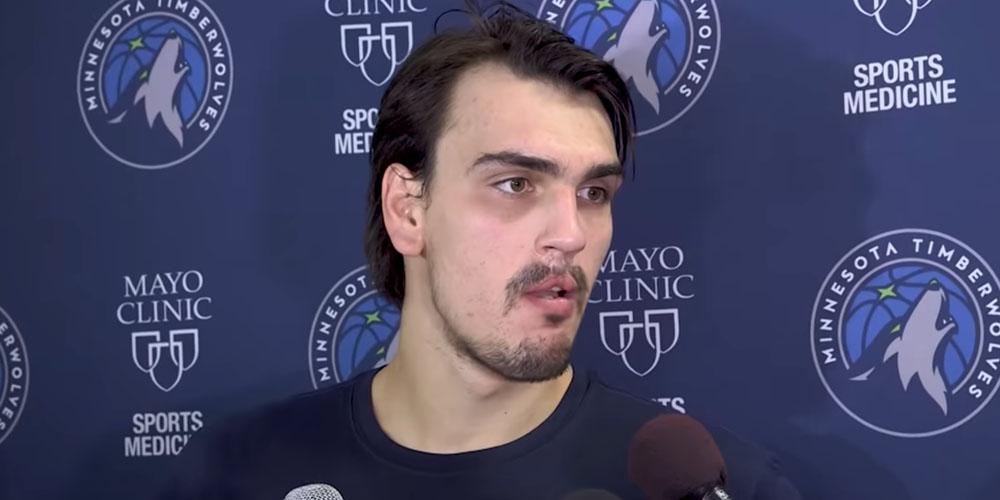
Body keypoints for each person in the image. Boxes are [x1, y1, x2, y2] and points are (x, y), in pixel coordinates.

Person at [163, 4, 801, 499]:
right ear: (408, 210)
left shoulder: (714, 488)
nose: (571, 234)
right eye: (516, 184)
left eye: (594, 193)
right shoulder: (233, 476)